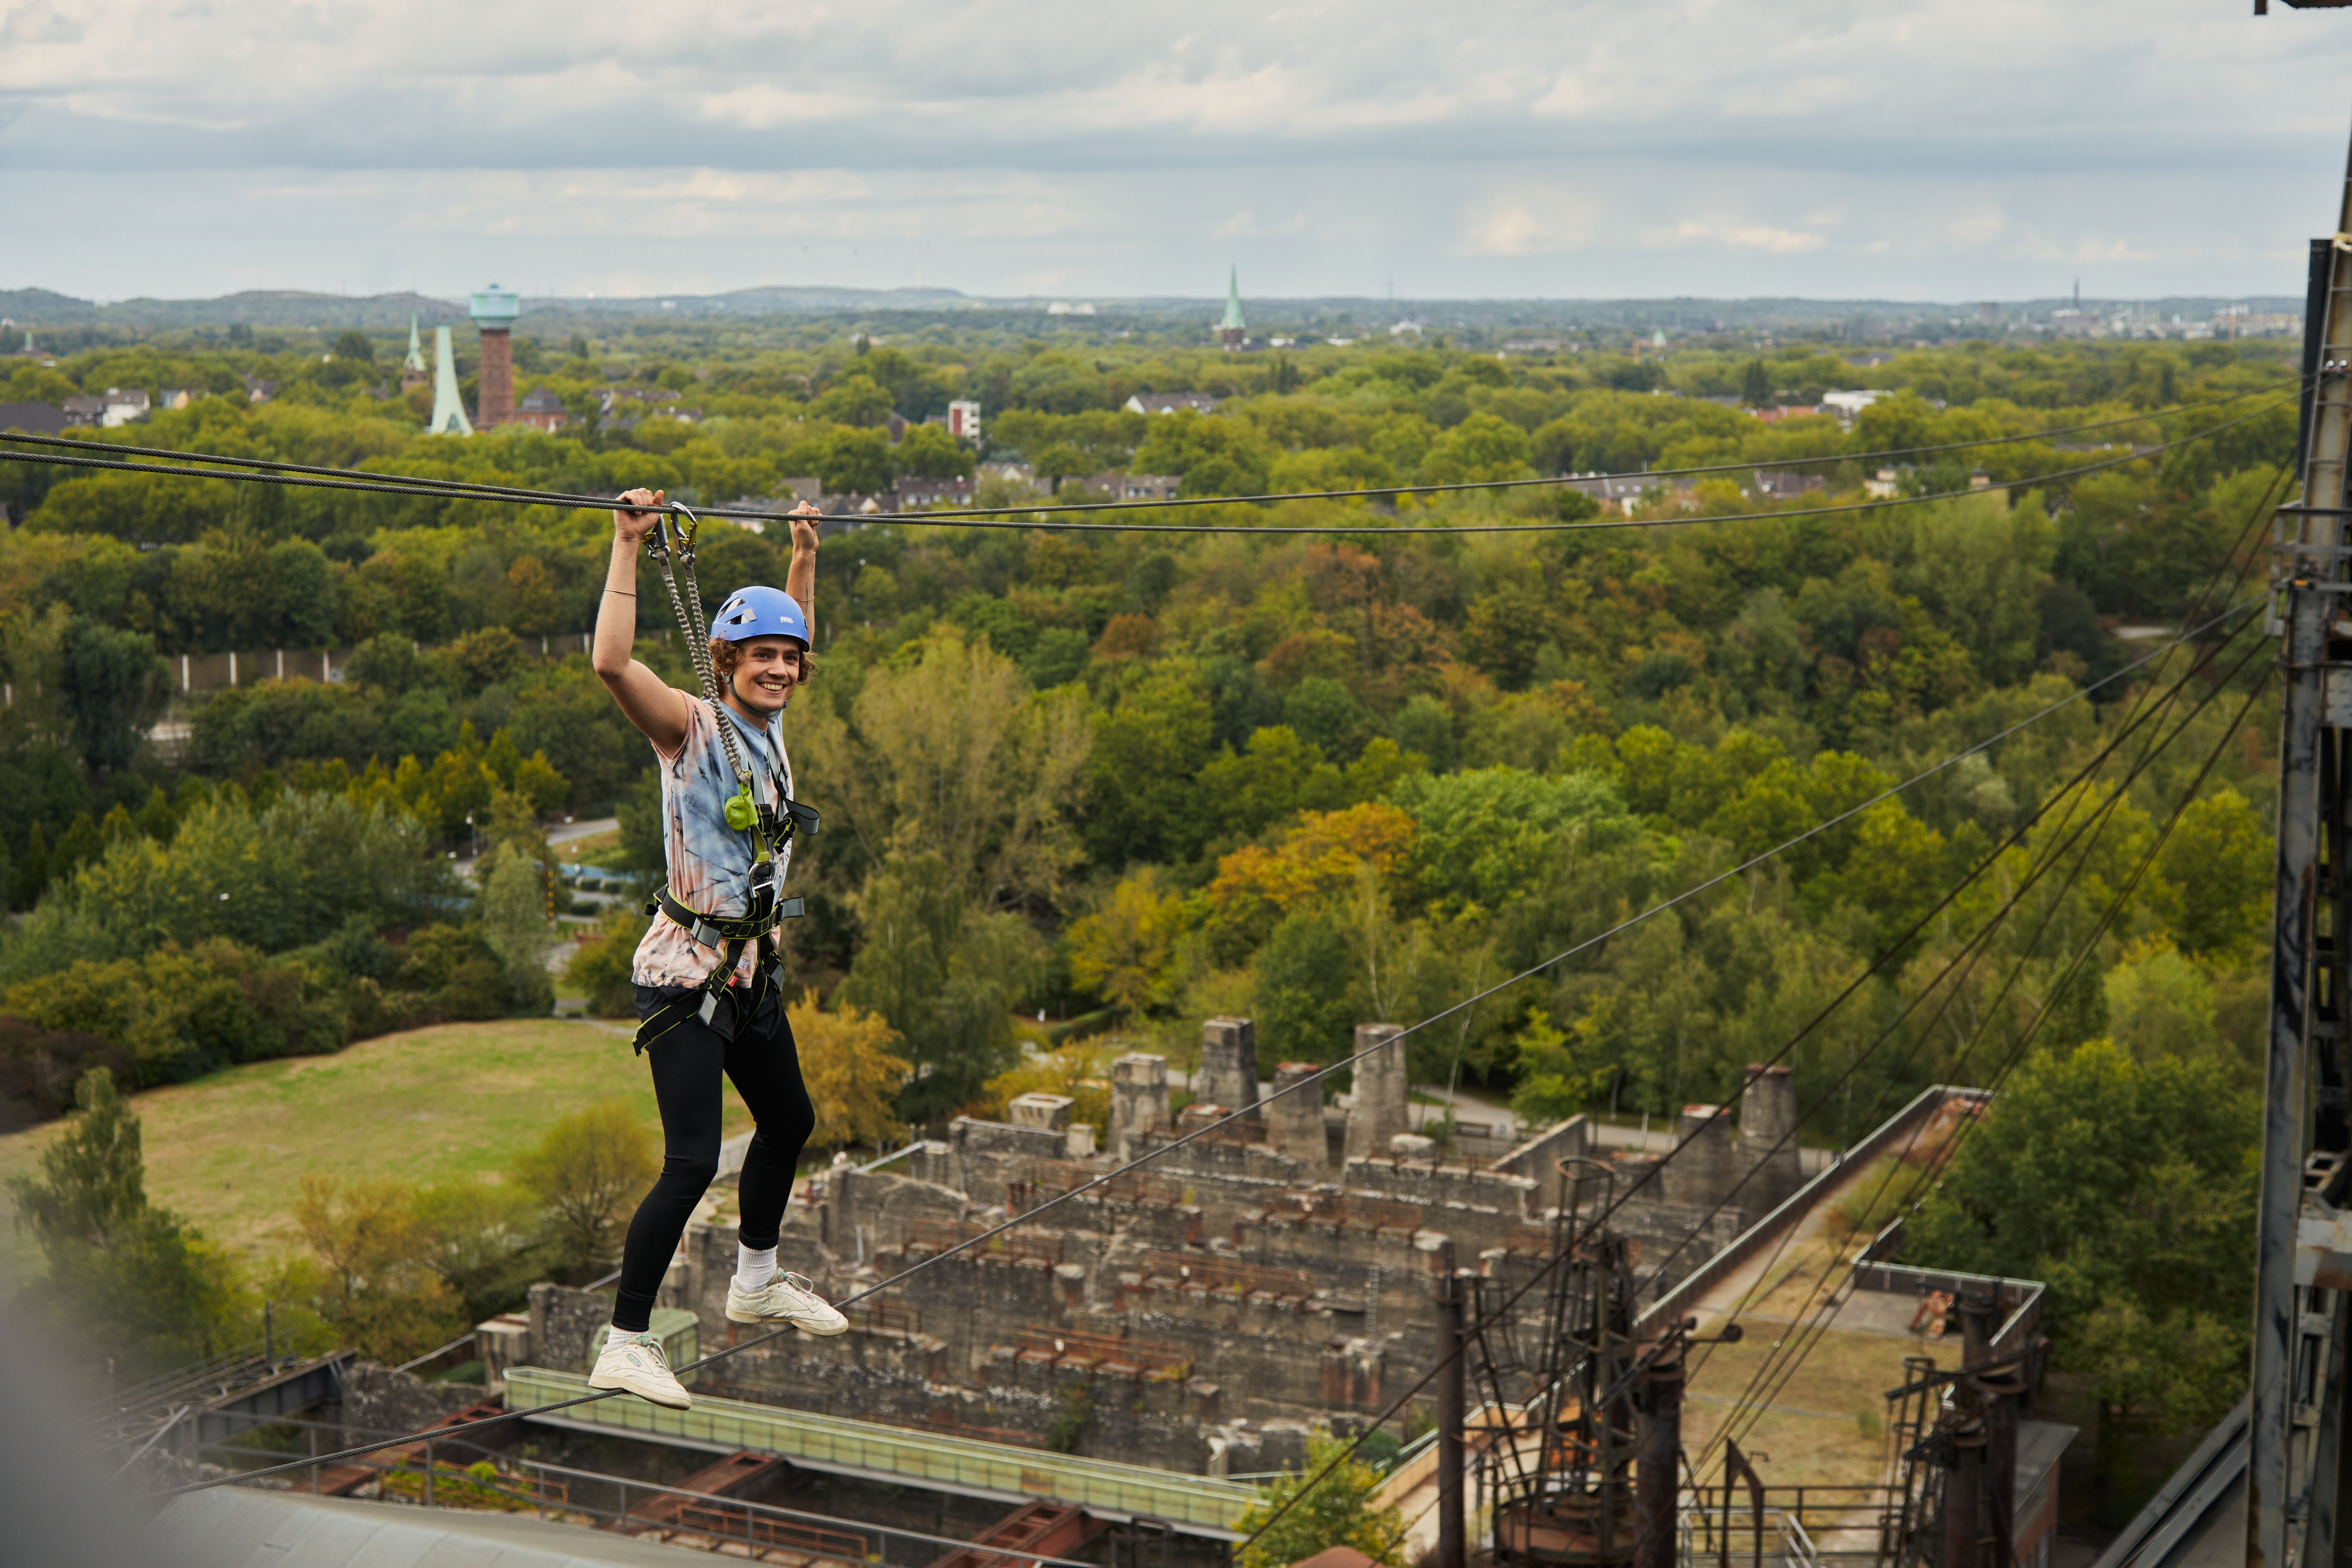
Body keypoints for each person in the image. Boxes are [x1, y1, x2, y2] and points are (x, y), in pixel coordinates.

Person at [585, 487, 846, 1410]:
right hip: (684, 977)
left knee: (791, 1122)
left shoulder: (768, 729)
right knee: (694, 1160)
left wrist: (803, 557)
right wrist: (627, 543)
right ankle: (625, 1338)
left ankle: (756, 1278)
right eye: (761, 656)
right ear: (727, 659)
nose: (778, 668)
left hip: (747, 976)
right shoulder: (690, 729)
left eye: (789, 658)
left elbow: (792, 634)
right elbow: (613, 663)